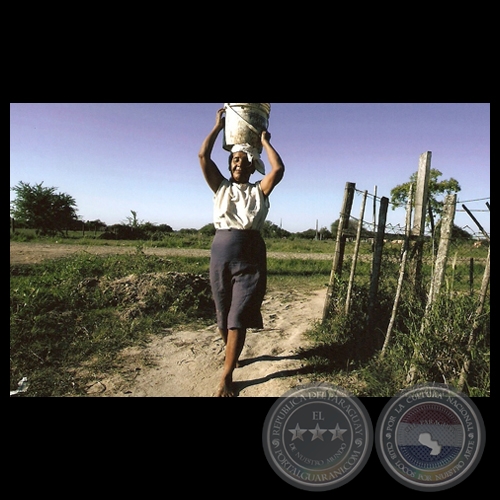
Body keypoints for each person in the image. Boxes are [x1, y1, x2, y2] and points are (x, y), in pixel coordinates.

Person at [198, 107, 285, 397]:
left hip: (250, 257)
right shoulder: (219, 187)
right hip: (221, 255)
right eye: (234, 160)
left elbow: (279, 170)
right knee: (223, 315)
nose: (237, 163)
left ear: (251, 165)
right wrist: (217, 126)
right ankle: (232, 354)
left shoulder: (259, 190)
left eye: (242, 160)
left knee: (238, 314)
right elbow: (202, 157)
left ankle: (227, 374)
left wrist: (264, 141)